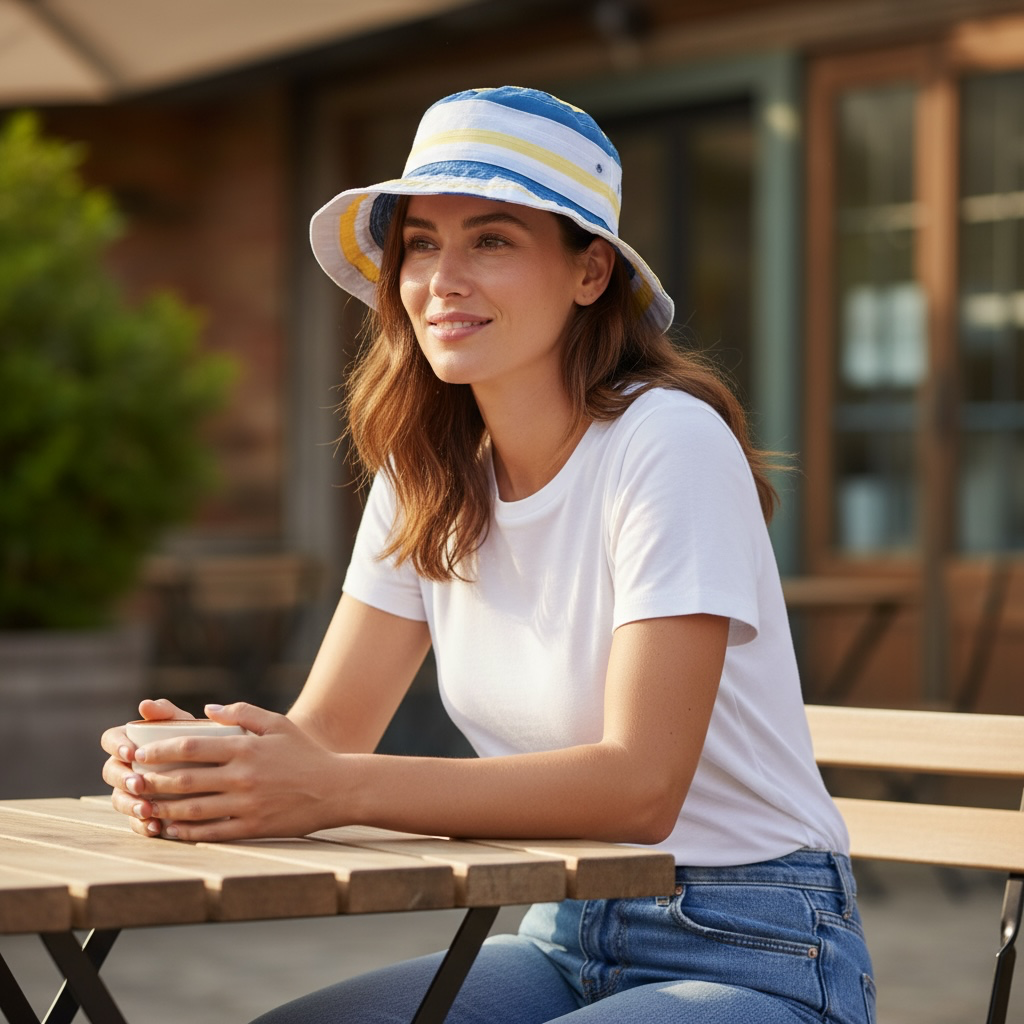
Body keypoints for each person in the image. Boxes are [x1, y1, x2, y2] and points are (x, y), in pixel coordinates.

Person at [101, 86, 875, 1023]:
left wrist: (331, 788)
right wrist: (200, 767)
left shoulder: (666, 442)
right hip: (559, 933)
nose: (442, 278)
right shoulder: (426, 471)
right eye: (422, 242)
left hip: (751, 945)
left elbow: (640, 788)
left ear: (590, 273)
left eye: (492, 240)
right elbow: (329, 736)